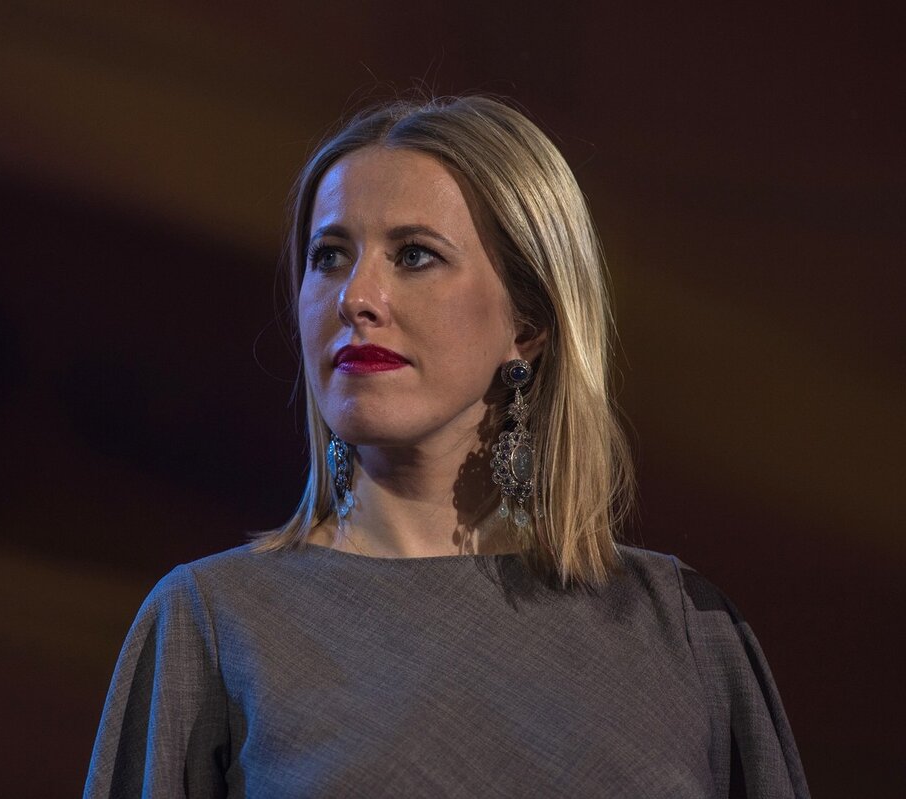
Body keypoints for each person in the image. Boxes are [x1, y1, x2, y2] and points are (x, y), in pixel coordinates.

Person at [83, 96, 810, 798]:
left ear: (528, 324)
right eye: (329, 256)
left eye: (414, 255)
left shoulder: (680, 627)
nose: (356, 297)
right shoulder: (213, 625)